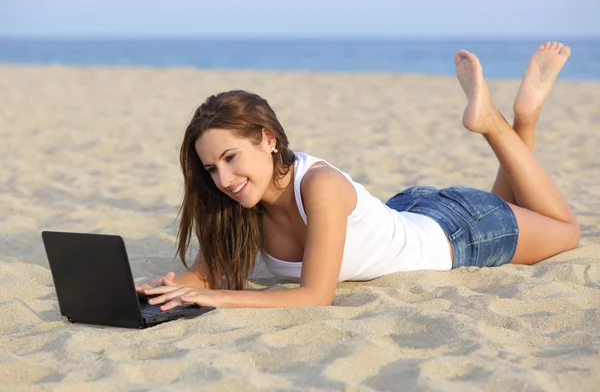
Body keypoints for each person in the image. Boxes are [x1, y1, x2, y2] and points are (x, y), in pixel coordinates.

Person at [137, 41, 580, 310]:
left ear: (268, 139)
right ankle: (523, 119)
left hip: (461, 232)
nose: (225, 178)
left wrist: (221, 299)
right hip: (410, 211)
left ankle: (502, 122)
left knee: (566, 231)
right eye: (212, 168)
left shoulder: (320, 185)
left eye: (232, 158)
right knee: (517, 207)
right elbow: (203, 277)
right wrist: (163, 291)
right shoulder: (238, 203)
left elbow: (315, 297)